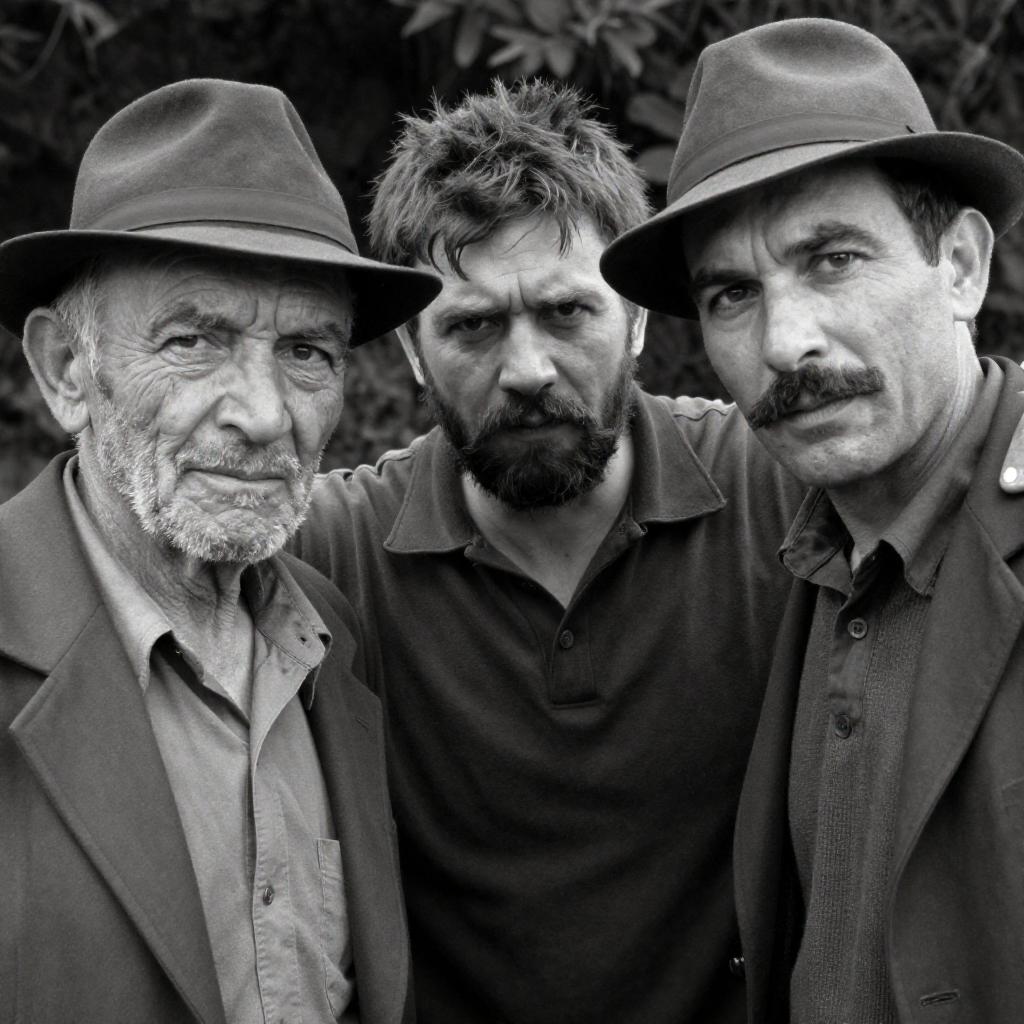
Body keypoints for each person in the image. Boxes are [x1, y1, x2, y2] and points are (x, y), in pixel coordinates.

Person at [292, 79, 801, 1024]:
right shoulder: (329, 555)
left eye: (567, 312)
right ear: (411, 349)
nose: (526, 371)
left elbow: (943, 442)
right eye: (473, 326)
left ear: (638, 318)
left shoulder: (781, 487)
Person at [601, 18, 1024, 1023]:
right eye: (732, 294)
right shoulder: (806, 551)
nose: (786, 341)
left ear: (961, 266)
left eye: (833, 259)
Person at [0, 79, 440, 1024]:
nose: (265, 415)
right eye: (194, 339)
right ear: (67, 371)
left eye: (307, 352)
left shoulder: (330, 638)